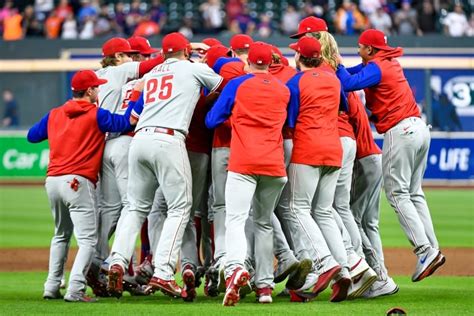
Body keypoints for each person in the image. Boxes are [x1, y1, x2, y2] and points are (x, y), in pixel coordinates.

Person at [107, 32, 223, 300]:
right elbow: (221, 86)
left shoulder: (152, 73)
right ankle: (165, 272)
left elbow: (134, 112)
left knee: (135, 207)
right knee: (181, 208)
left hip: (140, 139)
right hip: (168, 138)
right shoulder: (193, 68)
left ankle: (117, 261)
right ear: (185, 51)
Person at [336, 29, 446, 283]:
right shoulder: (389, 63)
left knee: (397, 193)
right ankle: (432, 247)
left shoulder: (376, 67)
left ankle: (424, 251)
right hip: (419, 128)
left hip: (401, 130)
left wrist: (337, 65)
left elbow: (349, 82)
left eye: (361, 47)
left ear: (370, 50)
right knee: (414, 192)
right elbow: (355, 72)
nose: (359, 50)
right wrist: (341, 68)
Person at [27, 70, 135, 302]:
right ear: (88, 91)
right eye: (96, 87)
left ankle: (51, 286)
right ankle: (75, 290)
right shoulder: (97, 115)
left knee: (60, 235)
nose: (98, 90)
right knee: (88, 240)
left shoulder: (54, 114)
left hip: (53, 181)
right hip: (78, 181)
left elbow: (32, 136)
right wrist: (136, 96)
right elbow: (127, 122)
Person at [206, 41, 290, 306]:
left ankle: (234, 270)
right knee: (264, 223)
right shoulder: (283, 89)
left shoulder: (237, 84)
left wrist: (237, 120)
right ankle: (265, 287)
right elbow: (288, 121)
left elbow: (211, 120)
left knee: (236, 219)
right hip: (274, 165)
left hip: (244, 161)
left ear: (248, 61)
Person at [286, 36, 350, 303]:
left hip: (307, 148)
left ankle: (325, 262)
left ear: (300, 57)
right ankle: (344, 271)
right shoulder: (333, 79)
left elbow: (289, 118)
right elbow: (344, 106)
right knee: (324, 212)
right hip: (333, 149)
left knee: (297, 208)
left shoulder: (296, 81)